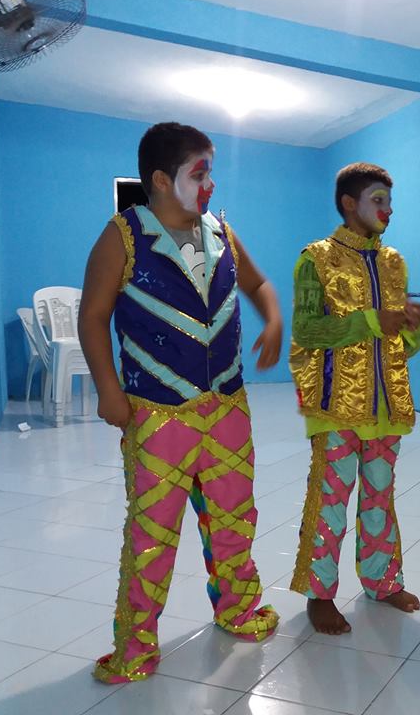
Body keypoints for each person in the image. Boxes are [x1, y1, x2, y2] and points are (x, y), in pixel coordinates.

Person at [79, 122, 281, 683]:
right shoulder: (123, 236)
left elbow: (258, 284)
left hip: (229, 407)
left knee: (234, 517)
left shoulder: (221, 231)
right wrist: (108, 389)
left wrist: (272, 319)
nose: (211, 184)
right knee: (152, 533)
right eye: (200, 172)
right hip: (156, 414)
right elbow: (92, 316)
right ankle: (136, 646)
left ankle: (239, 609)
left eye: (211, 171)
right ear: (163, 180)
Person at [289, 162, 420, 635]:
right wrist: (370, 321)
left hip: (387, 404)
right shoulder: (316, 259)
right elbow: (307, 331)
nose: (388, 210)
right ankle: (320, 594)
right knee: (330, 501)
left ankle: (383, 582)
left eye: (390, 200)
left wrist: (414, 326)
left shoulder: (394, 262)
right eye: (378, 200)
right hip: (336, 405)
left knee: (380, 498)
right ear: (350, 204)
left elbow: (398, 343)